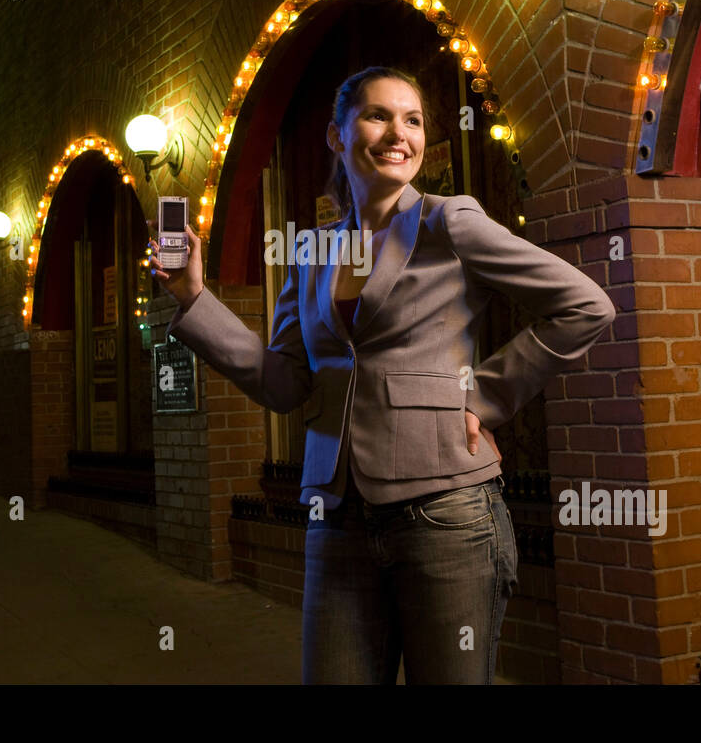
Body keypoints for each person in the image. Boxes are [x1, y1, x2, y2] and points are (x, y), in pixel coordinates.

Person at [150, 66, 616, 684]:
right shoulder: (313, 250)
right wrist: (194, 299)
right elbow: (285, 384)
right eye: (377, 115)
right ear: (336, 137)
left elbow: (586, 305)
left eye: (413, 120)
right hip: (335, 514)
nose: (399, 133)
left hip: (447, 514)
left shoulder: (450, 221)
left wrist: (483, 396)